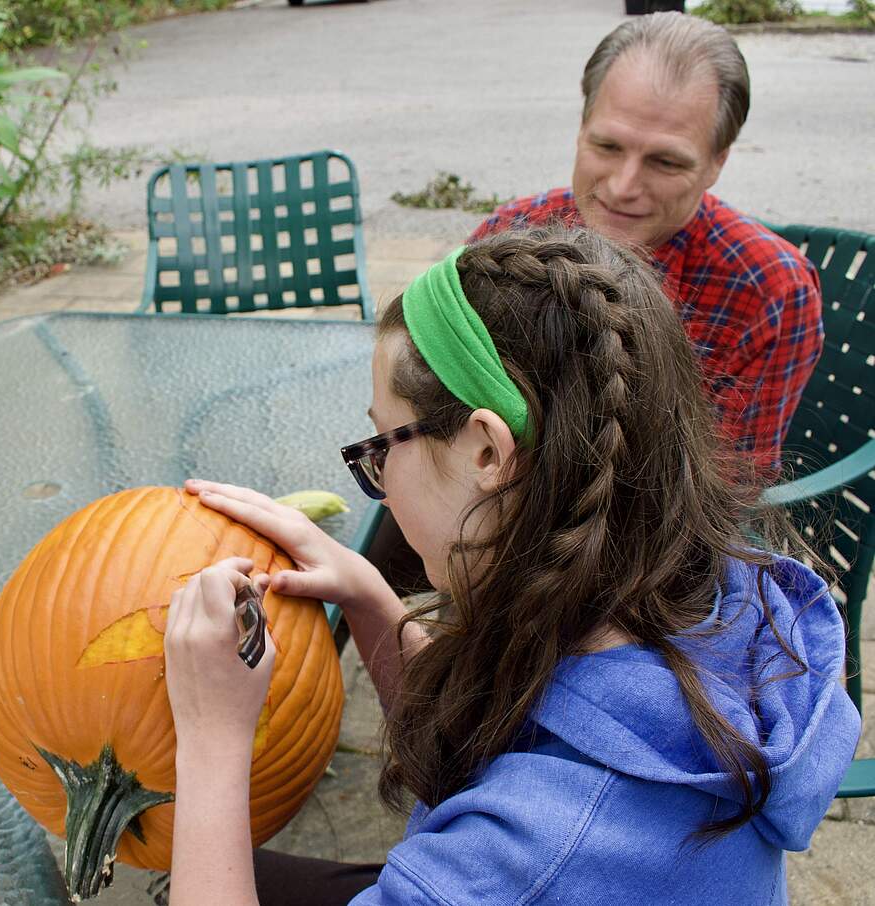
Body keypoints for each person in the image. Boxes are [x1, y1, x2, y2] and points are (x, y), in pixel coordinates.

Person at [161, 228, 858, 905]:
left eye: (382, 445)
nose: (381, 478)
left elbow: (519, 848)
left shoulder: (530, 858)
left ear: (486, 453)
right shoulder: (705, 600)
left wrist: (211, 741)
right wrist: (372, 600)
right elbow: (512, 734)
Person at [469, 13, 823, 475]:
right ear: (581, 129)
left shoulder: (770, 291)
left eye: (665, 162)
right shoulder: (510, 234)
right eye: (607, 147)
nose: (622, 187)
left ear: (716, 163)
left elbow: (730, 483)